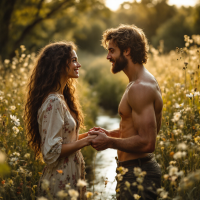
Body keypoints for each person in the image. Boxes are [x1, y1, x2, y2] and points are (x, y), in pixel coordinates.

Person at [89, 24, 163, 200]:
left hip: (139, 174)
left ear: (127, 51)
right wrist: (110, 134)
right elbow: (136, 132)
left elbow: (147, 142)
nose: (108, 56)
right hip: (132, 171)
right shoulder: (136, 83)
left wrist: (109, 142)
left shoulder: (140, 88)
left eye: (112, 51)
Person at [24, 41, 96, 199]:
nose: (79, 65)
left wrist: (89, 136)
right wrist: (86, 141)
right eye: (74, 60)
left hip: (70, 176)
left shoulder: (61, 98)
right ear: (59, 64)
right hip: (60, 181)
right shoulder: (53, 101)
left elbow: (65, 142)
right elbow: (51, 152)